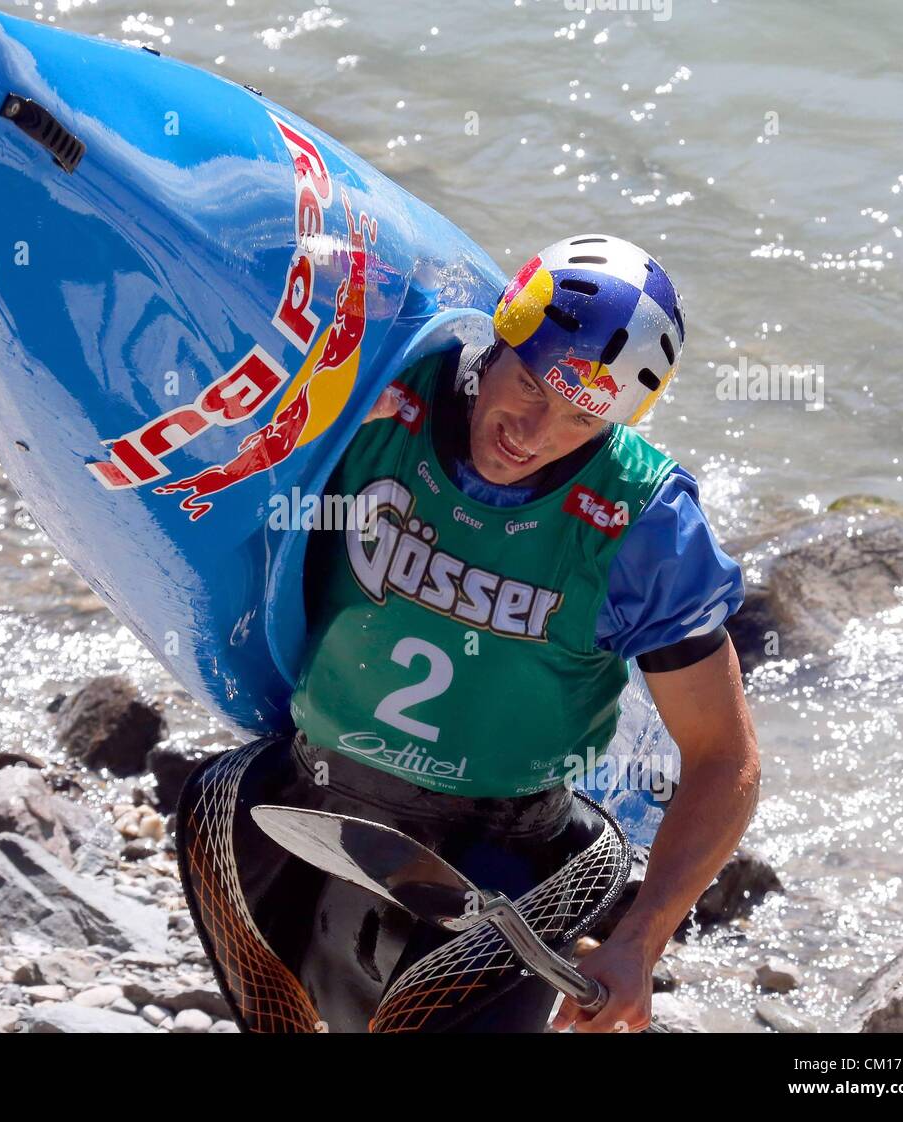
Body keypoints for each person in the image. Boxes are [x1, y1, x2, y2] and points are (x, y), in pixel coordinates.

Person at [176, 234, 760, 1033]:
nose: (532, 430)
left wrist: (640, 941)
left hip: (501, 862)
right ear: (500, 335)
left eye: (579, 416)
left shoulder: (643, 527)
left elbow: (726, 759)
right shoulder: (383, 387)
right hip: (302, 796)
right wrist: (317, 407)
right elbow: (234, 305)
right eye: (527, 383)